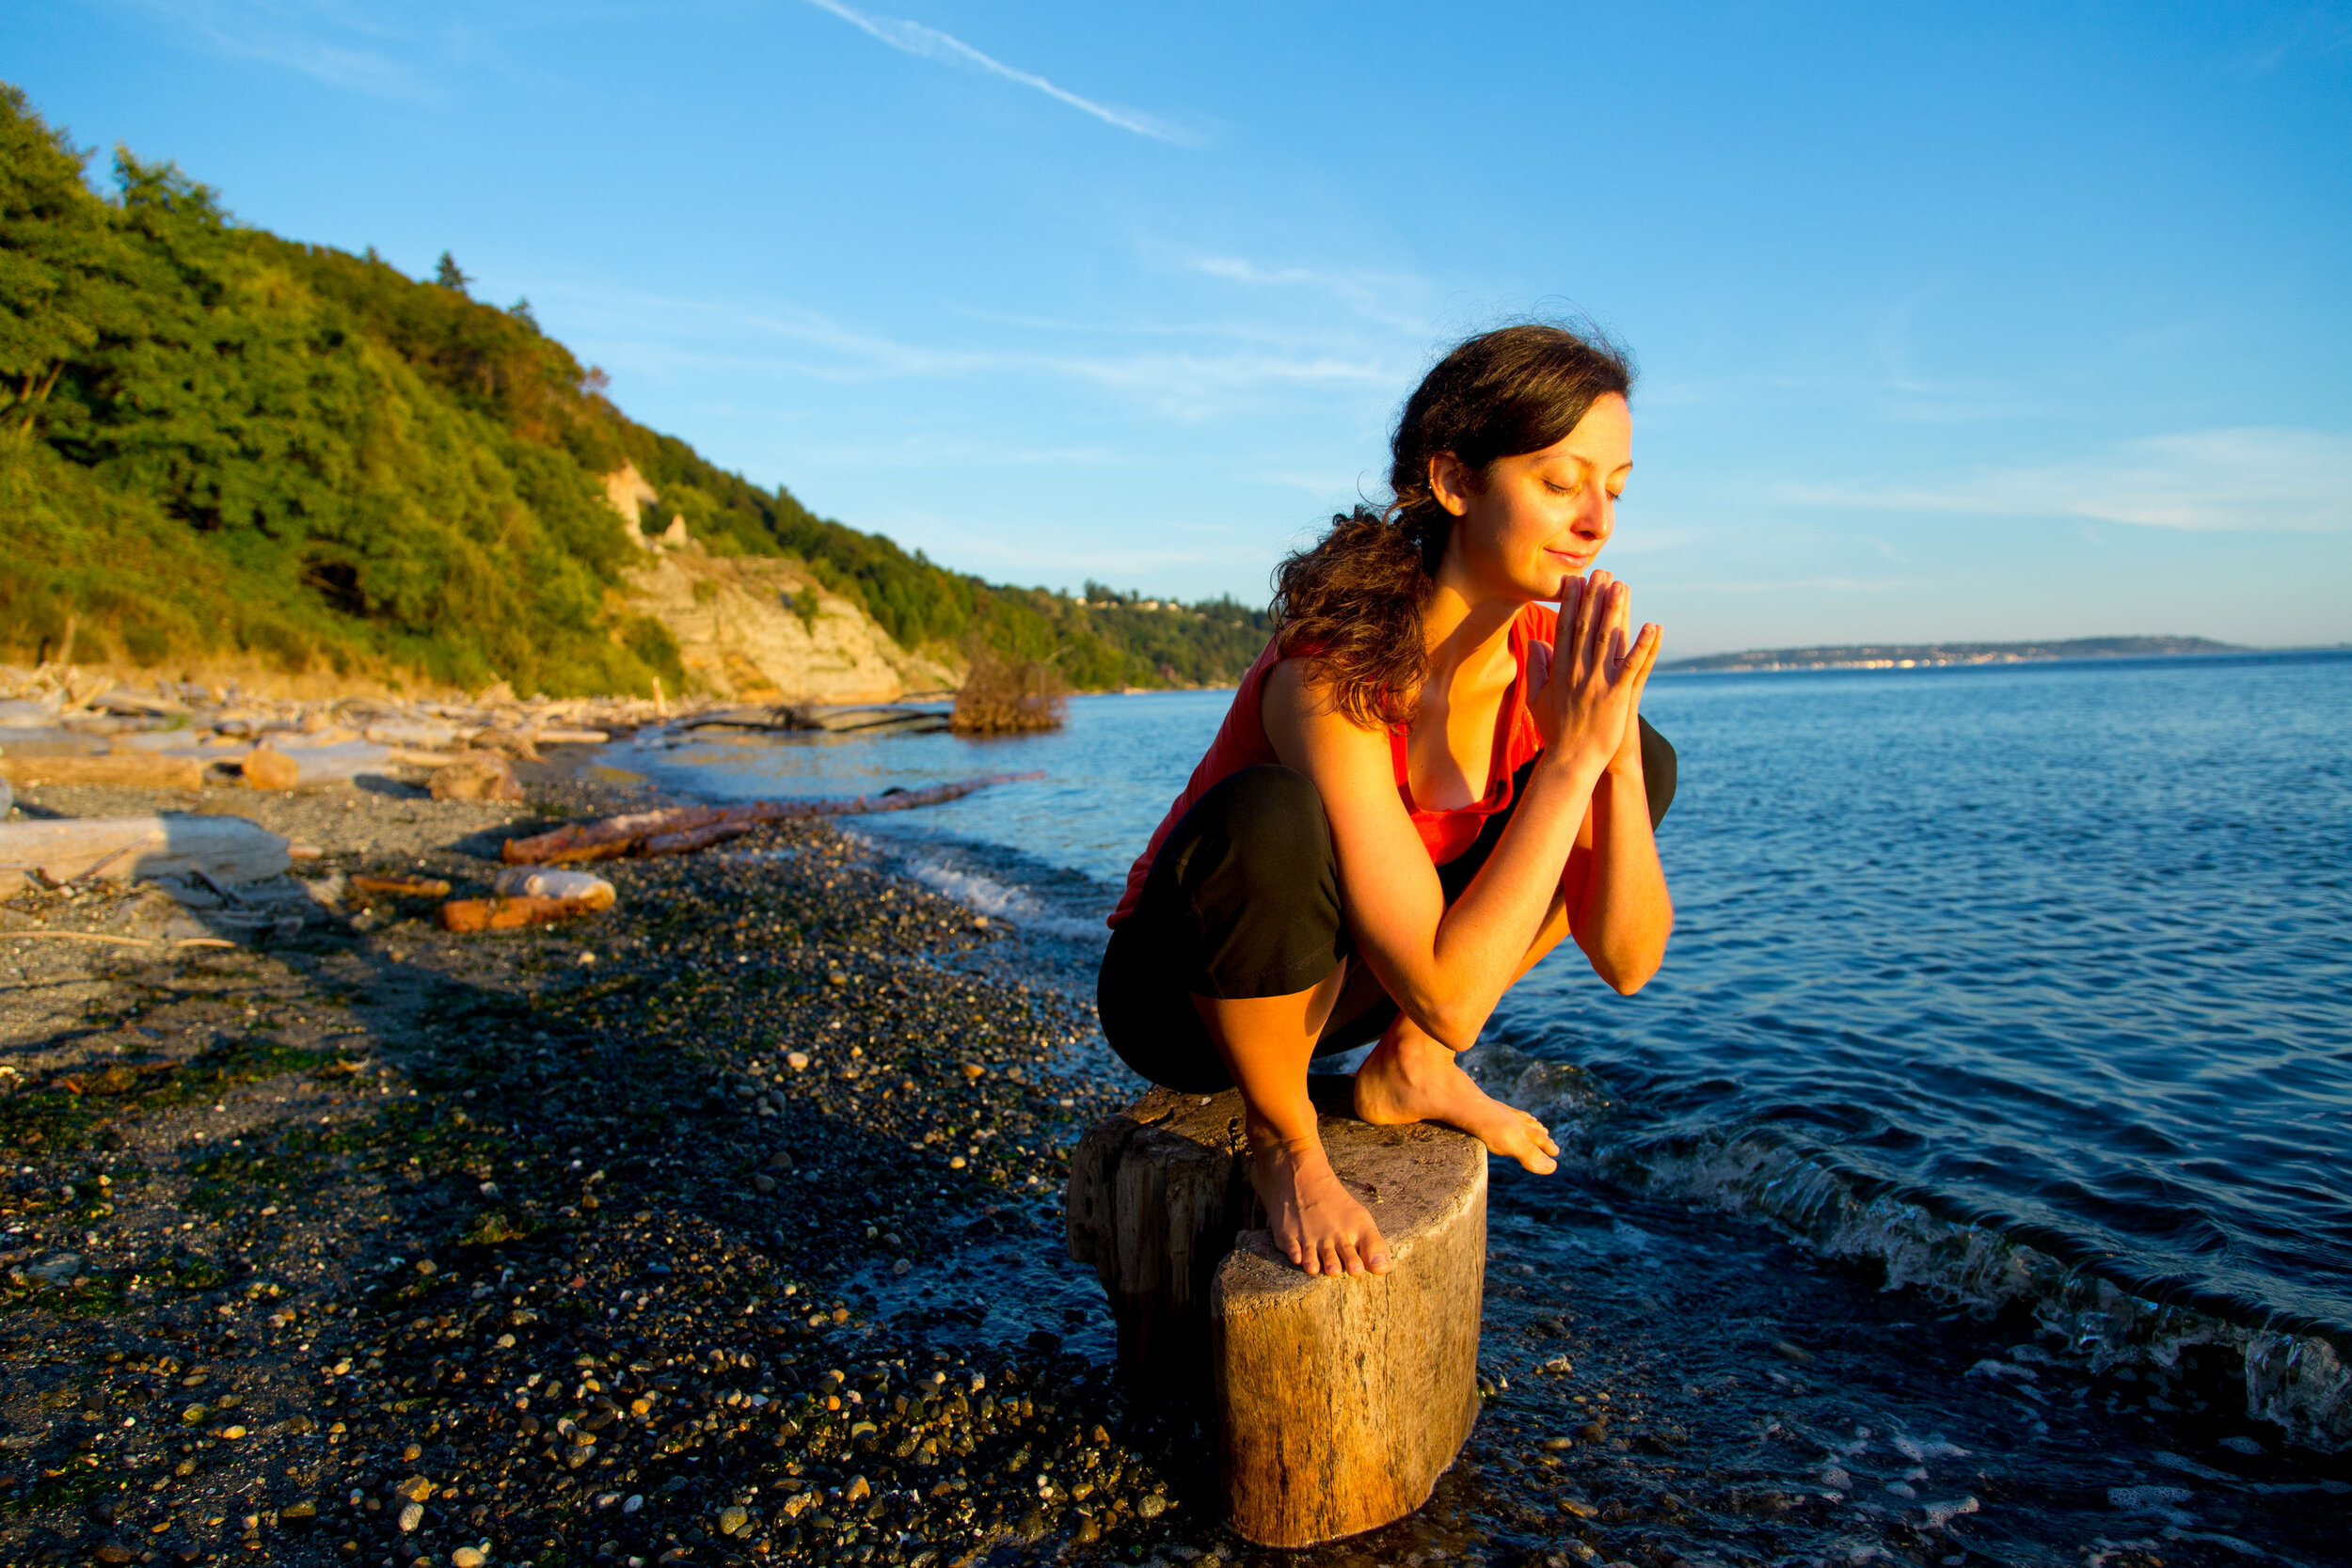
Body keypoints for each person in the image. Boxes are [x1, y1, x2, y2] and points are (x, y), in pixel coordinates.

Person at [1096, 323, 1675, 1279]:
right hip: (1188, 990)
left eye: (1613, 487)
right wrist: (1569, 764)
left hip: (1365, 984)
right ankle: (1283, 1139)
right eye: (1559, 480)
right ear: (1453, 482)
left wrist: (1604, 758)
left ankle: (1406, 1068)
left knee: (1639, 757)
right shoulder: (1333, 670)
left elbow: (1626, 958)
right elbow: (1449, 987)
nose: (1596, 522)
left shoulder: (1543, 665)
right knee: (1273, 818)